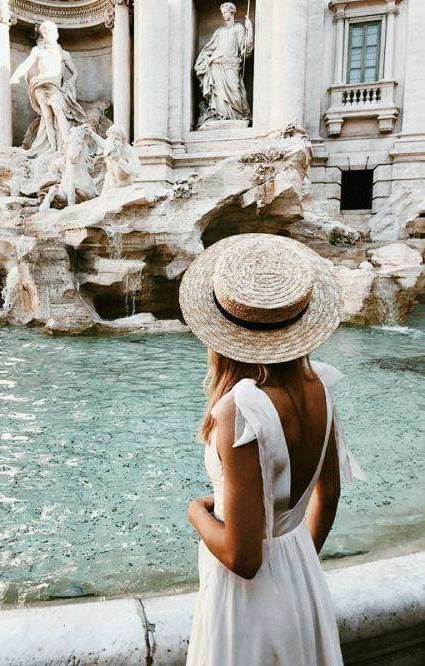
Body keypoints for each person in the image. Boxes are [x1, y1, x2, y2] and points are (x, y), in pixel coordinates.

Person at [179, 234, 366, 665]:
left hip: (247, 599)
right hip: (299, 572)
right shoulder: (319, 384)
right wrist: (297, 559)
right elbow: (329, 491)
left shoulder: (240, 409)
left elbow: (242, 559)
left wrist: (195, 511)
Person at [10, 21, 87, 154]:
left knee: (59, 112)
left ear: (56, 33)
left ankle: (66, 144)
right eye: (44, 32)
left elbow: (75, 73)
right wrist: (15, 76)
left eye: (49, 31)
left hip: (55, 86)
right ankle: (52, 147)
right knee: (47, 117)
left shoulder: (63, 54)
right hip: (40, 85)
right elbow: (26, 64)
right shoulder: (37, 50)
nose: (47, 34)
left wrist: (70, 84)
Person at [194, 2, 254, 127]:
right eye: (222, 13)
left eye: (225, 12)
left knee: (235, 91)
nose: (224, 15)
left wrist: (250, 31)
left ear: (232, 12)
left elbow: (244, 50)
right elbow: (209, 48)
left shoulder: (238, 28)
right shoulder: (219, 31)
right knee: (218, 94)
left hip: (232, 64)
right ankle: (220, 116)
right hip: (217, 64)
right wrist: (205, 60)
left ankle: (238, 115)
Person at [87, 124, 141, 192]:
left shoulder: (129, 151)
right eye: (111, 138)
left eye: (116, 139)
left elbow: (137, 171)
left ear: (123, 141)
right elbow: (100, 141)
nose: (113, 142)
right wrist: (90, 132)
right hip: (110, 186)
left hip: (125, 188)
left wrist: (119, 160)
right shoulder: (109, 145)